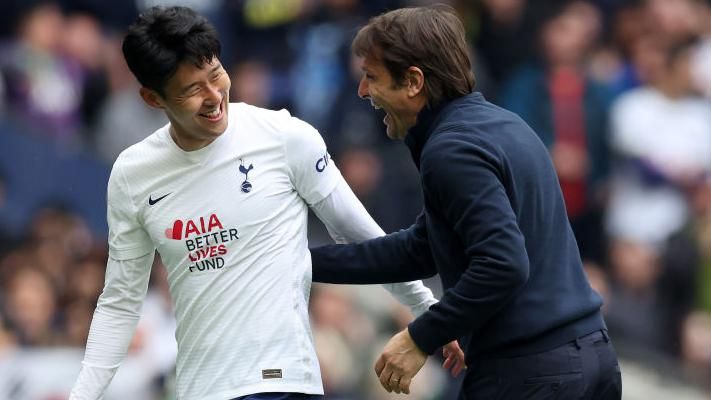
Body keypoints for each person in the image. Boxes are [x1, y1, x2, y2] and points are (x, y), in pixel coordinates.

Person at [68, 6, 464, 400]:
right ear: (153, 99)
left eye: (216, 75)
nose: (213, 97)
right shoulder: (133, 174)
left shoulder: (284, 136)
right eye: (192, 90)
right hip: (196, 389)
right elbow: (120, 302)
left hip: (281, 383)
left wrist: (427, 311)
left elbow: (362, 237)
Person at [309, 4, 622, 399]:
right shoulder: (503, 125)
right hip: (591, 359)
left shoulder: (451, 150)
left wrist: (420, 337)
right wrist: (304, 261)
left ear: (413, 82)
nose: (363, 91)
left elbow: (503, 265)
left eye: (372, 77)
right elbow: (422, 249)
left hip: (531, 373)